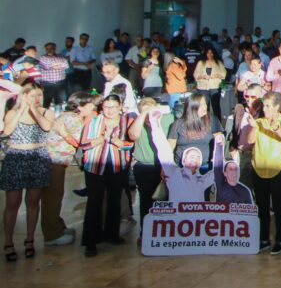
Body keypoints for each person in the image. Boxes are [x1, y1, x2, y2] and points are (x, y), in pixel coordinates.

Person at [2, 83, 54, 261]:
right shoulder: (12, 113)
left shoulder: (47, 112)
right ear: (23, 96)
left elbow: (46, 127)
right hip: (16, 157)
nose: (36, 99)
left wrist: (34, 110)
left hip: (37, 157)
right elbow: (7, 131)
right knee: (12, 202)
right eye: (32, 96)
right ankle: (8, 242)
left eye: (39, 95)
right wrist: (20, 110)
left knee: (33, 201)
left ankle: (30, 239)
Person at [78, 93, 132, 257]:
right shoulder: (93, 121)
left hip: (117, 165)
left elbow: (131, 143)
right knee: (94, 201)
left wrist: (119, 143)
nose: (110, 111)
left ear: (120, 107)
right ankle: (91, 241)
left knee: (114, 199)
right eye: (107, 107)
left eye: (113, 107)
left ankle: (111, 234)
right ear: (102, 107)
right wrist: (103, 138)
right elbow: (84, 144)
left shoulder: (126, 122)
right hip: (95, 166)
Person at [41, 91, 94, 247]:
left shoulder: (67, 116)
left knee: (54, 196)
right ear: (80, 106)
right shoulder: (74, 119)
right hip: (54, 161)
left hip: (56, 160)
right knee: (53, 197)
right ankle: (51, 234)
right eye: (90, 104)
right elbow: (80, 142)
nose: (92, 107)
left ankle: (57, 226)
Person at [245, 92, 281, 254]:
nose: (264, 108)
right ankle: (264, 239)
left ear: (277, 107)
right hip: (259, 169)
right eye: (263, 105)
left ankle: (280, 239)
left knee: (279, 207)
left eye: (268, 106)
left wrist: (274, 126)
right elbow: (250, 141)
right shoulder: (259, 122)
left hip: (278, 169)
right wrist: (253, 127)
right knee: (262, 207)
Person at [128, 97, 175, 225]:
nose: (149, 117)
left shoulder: (169, 119)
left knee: (167, 200)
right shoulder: (138, 123)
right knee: (146, 200)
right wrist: (143, 114)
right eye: (145, 113)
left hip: (165, 166)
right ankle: (145, 231)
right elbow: (133, 135)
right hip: (145, 167)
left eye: (151, 112)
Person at [167, 92, 223, 168]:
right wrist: (167, 166)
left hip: (205, 166)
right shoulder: (178, 124)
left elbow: (219, 144)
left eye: (204, 104)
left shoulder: (212, 120)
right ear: (192, 107)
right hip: (181, 167)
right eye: (200, 105)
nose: (204, 107)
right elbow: (169, 147)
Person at [195, 47, 227, 120]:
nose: (210, 54)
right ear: (205, 54)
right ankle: (205, 122)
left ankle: (218, 124)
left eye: (211, 52)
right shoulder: (201, 62)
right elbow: (196, 75)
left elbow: (224, 74)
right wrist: (203, 76)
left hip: (215, 87)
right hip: (203, 87)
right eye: (208, 53)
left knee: (216, 107)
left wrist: (217, 75)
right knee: (204, 106)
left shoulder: (218, 63)